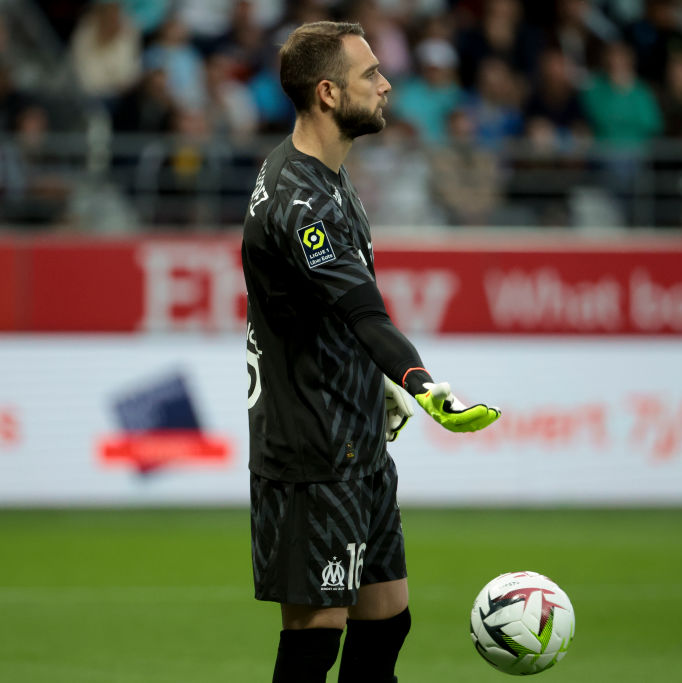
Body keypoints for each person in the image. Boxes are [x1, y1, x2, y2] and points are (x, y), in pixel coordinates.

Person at [241, 21, 501, 683]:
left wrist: (372, 381)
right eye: (371, 75)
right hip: (311, 450)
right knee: (315, 637)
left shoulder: (328, 177)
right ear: (328, 94)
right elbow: (363, 310)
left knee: (387, 620)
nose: (387, 86)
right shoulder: (300, 200)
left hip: (355, 441)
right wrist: (419, 382)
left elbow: (325, 312)